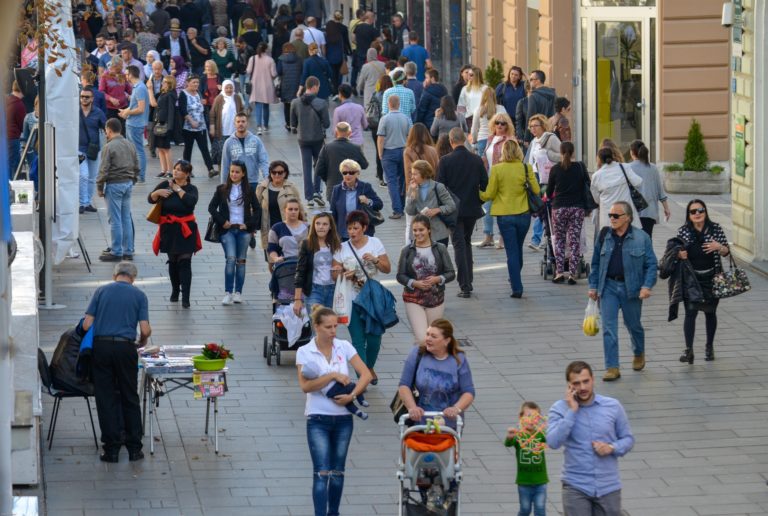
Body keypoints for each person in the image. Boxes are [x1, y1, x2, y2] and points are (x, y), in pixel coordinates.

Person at [296, 306, 372, 516]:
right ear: (317, 327)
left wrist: (352, 396)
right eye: (328, 327)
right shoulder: (305, 352)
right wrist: (331, 376)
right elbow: (305, 386)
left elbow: (365, 374)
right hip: (317, 418)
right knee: (321, 472)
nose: (333, 331)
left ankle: (334, 513)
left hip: (343, 420)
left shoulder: (344, 346)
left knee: (338, 472)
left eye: (335, 326)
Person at [82, 261, 151, 463]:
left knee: (105, 397)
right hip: (125, 348)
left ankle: (111, 450)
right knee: (129, 396)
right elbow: (145, 329)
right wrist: (142, 342)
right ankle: (134, 449)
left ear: (115, 275)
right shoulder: (139, 295)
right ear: (133, 277)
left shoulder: (101, 291)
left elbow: (87, 324)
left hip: (101, 348)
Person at [547, 361, 635, 514]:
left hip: (608, 486)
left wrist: (612, 447)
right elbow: (553, 442)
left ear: (593, 379)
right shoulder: (559, 408)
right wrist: (572, 411)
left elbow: (628, 439)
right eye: (576, 383)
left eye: (586, 381)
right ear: (569, 386)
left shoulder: (612, 406)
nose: (582, 387)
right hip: (576, 486)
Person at [588, 201, 657, 381]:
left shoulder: (641, 238)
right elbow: (595, 263)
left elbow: (651, 265)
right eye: (611, 215)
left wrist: (646, 286)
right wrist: (593, 286)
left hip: (631, 288)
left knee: (633, 325)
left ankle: (639, 352)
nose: (612, 219)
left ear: (627, 217)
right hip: (608, 287)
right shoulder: (604, 235)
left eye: (616, 216)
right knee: (608, 328)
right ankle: (612, 367)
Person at [332, 210, 392, 380]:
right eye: (349, 228)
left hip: (372, 299)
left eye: (355, 228)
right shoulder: (342, 248)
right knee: (358, 340)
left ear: (364, 228)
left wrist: (375, 260)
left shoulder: (375, 243)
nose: (352, 232)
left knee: (374, 339)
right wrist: (342, 273)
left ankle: (368, 368)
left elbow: (387, 269)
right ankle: (364, 377)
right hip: (351, 300)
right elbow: (334, 274)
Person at [480, 139, 540, 298]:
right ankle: (515, 277)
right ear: (519, 152)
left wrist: (478, 193)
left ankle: (517, 286)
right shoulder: (525, 168)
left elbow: (490, 194)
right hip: (524, 214)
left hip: (505, 216)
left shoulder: (497, 169)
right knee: (518, 248)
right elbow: (536, 189)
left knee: (512, 251)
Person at [674, 199, 730, 363]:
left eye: (700, 210)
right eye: (693, 212)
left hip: (712, 278)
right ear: (689, 215)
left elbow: (727, 252)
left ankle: (709, 347)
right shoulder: (684, 231)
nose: (697, 214)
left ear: (705, 212)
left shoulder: (715, 229)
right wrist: (680, 254)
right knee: (690, 313)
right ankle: (689, 350)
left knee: (710, 312)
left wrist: (718, 247)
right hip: (692, 279)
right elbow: (676, 251)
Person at [437, 128, 488, 297]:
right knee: (466, 242)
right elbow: (484, 184)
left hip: (453, 210)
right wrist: (478, 201)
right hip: (472, 208)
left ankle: (465, 285)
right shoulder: (476, 160)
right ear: (464, 139)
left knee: (459, 244)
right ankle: (468, 280)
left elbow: (440, 187)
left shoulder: (445, 161)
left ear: (451, 141)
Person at [398, 319, 475, 426]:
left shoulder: (459, 359)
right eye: (427, 334)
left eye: (434, 336)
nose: (428, 339)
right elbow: (404, 385)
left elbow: (468, 392)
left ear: (446, 341)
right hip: (420, 420)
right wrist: (412, 408)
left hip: (448, 422)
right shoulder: (417, 353)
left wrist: (456, 408)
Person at [148, 159, 201, 308]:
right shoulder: (165, 184)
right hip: (169, 230)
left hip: (186, 230)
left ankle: (186, 297)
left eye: (179, 169)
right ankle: (175, 290)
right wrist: (157, 193)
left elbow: (190, 202)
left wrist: (177, 189)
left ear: (187, 174)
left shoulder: (191, 188)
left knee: (185, 262)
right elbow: (150, 199)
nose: (175, 171)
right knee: (173, 262)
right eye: (175, 168)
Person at [396, 215, 455, 344]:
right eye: (415, 230)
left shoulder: (440, 248)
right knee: (422, 338)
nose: (418, 233)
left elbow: (451, 273)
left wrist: (438, 279)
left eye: (421, 230)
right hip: (413, 298)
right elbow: (400, 275)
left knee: (433, 340)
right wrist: (414, 283)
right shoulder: (407, 251)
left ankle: (424, 363)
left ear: (429, 230)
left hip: (435, 298)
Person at [209, 160, 261, 305]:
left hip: (243, 230)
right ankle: (228, 292)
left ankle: (238, 292)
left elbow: (257, 209)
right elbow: (211, 208)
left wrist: (249, 225)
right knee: (231, 259)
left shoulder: (249, 190)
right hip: (227, 230)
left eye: (237, 172)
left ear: (243, 173)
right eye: (232, 171)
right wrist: (222, 221)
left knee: (241, 261)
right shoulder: (221, 189)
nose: (234, 174)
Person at [546, 142, 590, 284]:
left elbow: (548, 191)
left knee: (559, 240)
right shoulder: (580, 167)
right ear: (573, 152)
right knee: (574, 240)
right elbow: (587, 184)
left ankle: (559, 272)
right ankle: (572, 274)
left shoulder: (555, 169)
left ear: (560, 152)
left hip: (559, 208)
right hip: (577, 208)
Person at [97, 118, 139, 262]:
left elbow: (103, 169)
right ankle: (128, 250)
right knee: (126, 218)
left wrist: (99, 187)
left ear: (108, 130)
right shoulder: (129, 144)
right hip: (127, 183)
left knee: (115, 220)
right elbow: (137, 164)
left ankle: (116, 251)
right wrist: (133, 179)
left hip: (114, 184)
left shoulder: (108, 147)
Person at [291, 76, 331, 208]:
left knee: (306, 167)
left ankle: (308, 197)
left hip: (303, 139)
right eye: (318, 87)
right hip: (317, 139)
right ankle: (317, 192)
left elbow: (292, 124)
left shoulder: (295, 102)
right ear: (314, 87)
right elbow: (326, 124)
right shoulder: (321, 103)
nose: (318, 89)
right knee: (318, 165)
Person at [478, 112, 516, 249]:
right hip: (489, 176)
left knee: (502, 209)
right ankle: (488, 236)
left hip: (503, 177)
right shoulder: (489, 139)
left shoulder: (510, 140)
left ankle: (502, 237)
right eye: (497, 123)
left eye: (503, 123)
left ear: (507, 126)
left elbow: (514, 157)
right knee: (487, 208)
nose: (499, 125)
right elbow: (484, 156)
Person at [504, 401, 549, 516]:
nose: (531, 420)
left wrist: (550, 429)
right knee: (525, 509)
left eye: (535, 417)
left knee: (540, 509)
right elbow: (508, 444)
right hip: (524, 482)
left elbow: (552, 440)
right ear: (521, 417)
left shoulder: (541, 435)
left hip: (541, 481)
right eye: (528, 416)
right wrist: (509, 437)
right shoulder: (519, 434)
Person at [294, 212, 343, 315]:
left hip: (333, 290)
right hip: (314, 290)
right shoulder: (307, 244)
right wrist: (297, 299)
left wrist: (341, 269)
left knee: (329, 327)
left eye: (325, 224)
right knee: (317, 325)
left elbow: (344, 265)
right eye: (318, 223)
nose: (321, 227)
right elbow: (300, 271)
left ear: (330, 227)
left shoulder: (337, 244)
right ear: (313, 225)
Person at [525, 113, 561, 251]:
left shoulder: (551, 138)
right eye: (531, 126)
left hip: (549, 178)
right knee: (541, 208)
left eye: (536, 126)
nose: (533, 129)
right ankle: (540, 238)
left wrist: (548, 155)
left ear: (543, 126)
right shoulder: (534, 141)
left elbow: (562, 155)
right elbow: (530, 161)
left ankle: (541, 238)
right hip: (536, 177)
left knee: (545, 207)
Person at [255, 160, 305, 255]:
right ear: (270, 173)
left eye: (280, 172)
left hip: (288, 229)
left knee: (287, 258)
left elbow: (300, 208)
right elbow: (254, 208)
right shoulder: (262, 188)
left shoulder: (291, 188)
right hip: (269, 229)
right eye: (274, 172)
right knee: (271, 261)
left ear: (285, 173)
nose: (277, 175)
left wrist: (305, 225)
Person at [404, 160, 456, 246]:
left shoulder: (438, 187)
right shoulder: (412, 188)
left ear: (424, 174)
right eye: (412, 174)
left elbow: (451, 206)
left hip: (438, 232)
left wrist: (438, 210)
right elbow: (410, 211)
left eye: (415, 174)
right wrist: (412, 194)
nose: (412, 177)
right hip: (419, 234)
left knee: (438, 258)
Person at [377, 95, 413, 220]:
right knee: (402, 180)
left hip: (389, 152)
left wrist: (380, 153)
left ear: (388, 104)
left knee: (391, 181)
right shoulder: (406, 118)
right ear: (398, 104)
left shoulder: (384, 119)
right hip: (403, 151)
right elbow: (410, 136)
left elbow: (381, 137)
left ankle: (397, 210)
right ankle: (402, 205)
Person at [590, 147, 643, 231]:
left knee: (610, 239)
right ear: (612, 156)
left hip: (608, 215)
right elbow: (638, 182)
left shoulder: (597, 175)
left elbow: (596, 199)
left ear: (599, 159)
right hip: (625, 211)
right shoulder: (624, 167)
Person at [329, 159, 383, 240]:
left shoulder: (365, 187)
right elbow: (333, 213)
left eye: (351, 173)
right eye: (344, 173)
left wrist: (368, 201)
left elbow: (379, 204)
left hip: (363, 232)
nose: (348, 175)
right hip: (343, 233)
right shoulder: (337, 189)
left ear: (357, 173)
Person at [315, 122, 369, 200]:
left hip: (332, 189)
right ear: (350, 133)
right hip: (352, 189)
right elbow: (365, 165)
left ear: (336, 133)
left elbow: (318, 170)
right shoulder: (355, 148)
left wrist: (328, 179)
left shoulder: (327, 148)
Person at [629, 139, 670, 238]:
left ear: (632, 152)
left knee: (633, 240)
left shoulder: (628, 167)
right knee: (647, 240)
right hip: (649, 211)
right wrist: (666, 208)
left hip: (632, 211)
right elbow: (660, 191)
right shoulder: (653, 168)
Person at [178, 74, 216, 177]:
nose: (196, 84)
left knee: (204, 148)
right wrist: (191, 121)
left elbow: (202, 107)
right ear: (188, 83)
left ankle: (211, 169)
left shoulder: (199, 93)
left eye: (197, 82)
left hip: (201, 126)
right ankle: (187, 171)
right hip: (188, 127)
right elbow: (182, 110)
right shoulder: (183, 94)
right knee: (188, 149)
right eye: (194, 82)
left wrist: (203, 103)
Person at [220, 112, 269, 186]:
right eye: (238, 121)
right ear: (234, 124)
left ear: (247, 123)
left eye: (243, 121)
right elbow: (225, 164)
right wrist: (224, 184)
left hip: (252, 182)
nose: (240, 124)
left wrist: (267, 178)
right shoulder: (228, 142)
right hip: (235, 183)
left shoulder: (256, 140)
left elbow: (263, 161)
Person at [118, 66, 149, 183]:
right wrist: (125, 111)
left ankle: (140, 175)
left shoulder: (140, 88)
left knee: (138, 150)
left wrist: (127, 112)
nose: (126, 76)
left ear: (131, 74)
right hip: (132, 122)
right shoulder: (137, 87)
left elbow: (141, 109)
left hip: (136, 124)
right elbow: (135, 106)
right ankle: (134, 173)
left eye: (126, 74)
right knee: (132, 150)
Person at [78, 87, 107, 214]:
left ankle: (87, 202)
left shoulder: (98, 112)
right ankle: (81, 203)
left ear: (92, 99)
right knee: (83, 175)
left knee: (92, 178)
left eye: (86, 97)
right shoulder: (74, 111)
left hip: (94, 149)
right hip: (79, 149)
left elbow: (106, 128)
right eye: (82, 96)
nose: (83, 99)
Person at [209, 79, 244, 175]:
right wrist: (212, 127)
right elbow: (212, 113)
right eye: (227, 88)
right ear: (224, 88)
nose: (229, 90)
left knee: (234, 152)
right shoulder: (219, 98)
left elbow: (241, 111)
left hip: (234, 131)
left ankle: (233, 172)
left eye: (231, 87)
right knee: (222, 153)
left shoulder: (237, 97)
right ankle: (222, 172)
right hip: (222, 131)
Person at [148, 75, 178, 178]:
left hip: (164, 123)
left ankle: (170, 170)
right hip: (158, 122)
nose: (162, 83)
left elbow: (171, 111)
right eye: (163, 82)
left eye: (165, 82)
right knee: (160, 147)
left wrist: (170, 126)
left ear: (169, 84)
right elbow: (153, 103)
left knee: (166, 148)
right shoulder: (162, 94)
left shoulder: (170, 95)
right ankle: (163, 170)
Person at [246, 42, 278, 134]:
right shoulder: (270, 60)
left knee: (258, 106)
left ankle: (259, 126)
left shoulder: (252, 59)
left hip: (255, 85)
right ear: (266, 49)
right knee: (266, 105)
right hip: (267, 85)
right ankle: (266, 126)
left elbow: (248, 71)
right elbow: (274, 74)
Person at [368, 74, 393, 187]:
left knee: (379, 151)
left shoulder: (375, 94)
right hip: (389, 125)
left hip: (376, 126)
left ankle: (380, 175)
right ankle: (388, 174)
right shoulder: (392, 95)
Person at [268, 198, 309, 264]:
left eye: (296, 209)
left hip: (305, 264)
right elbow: (272, 248)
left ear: (299, 211)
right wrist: (276, 258)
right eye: (290, 209)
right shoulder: (276, 228)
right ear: (284, 211)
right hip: (285, 264)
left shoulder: (308, 227)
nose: (293, 212)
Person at [470, 86, 506, 156]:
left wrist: (474, 140)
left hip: (482, 140)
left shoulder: (478, 110)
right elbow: (507, 125)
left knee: (483, 165)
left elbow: (474, 129)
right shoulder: (501, 109)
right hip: (497, 140)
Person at [277, 42, 303, 131]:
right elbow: (302, 71)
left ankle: (288, 124)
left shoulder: (281, 59)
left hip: (285, 85)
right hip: (296, 85)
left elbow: (279, 71)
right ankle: (295, 125)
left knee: (287, 106)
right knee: (296, 105)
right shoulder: (299, 59)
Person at [99, 57, 131, 131]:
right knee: (112, 130)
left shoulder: (123, 75)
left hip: (123, 107)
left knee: (123, 130)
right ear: (114, 66)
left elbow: (128, 89)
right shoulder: (105, 76)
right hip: (110, 109)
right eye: (121, 66)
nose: (122, 67)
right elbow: (101, 92)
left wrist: (131, 94)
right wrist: (110, 98)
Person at [324, 11, 351, 95]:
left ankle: (334, 89)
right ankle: (338, 88)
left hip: (330, 55)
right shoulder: (343, 28)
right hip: (341, 53)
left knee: (333, 73)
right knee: (340, 73)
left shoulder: (329, 30)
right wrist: (349, 50)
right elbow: (346, 41)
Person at [351, 11, 379, 89]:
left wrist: (359, 44)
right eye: (373, 18)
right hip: (369, 54)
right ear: (371, 18)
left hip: (359, 52)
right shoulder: (373, 29)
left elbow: (353, 39)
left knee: (360, 71)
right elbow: (379, 41)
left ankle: (356, 86)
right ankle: (364, 88)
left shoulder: (358, 27)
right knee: (369, 71)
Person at [5, 81, 26, 176]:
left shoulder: (6, 100)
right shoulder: (19, 104)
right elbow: (23, 125)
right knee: (13, 165)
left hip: (4, 137)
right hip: (12, 139)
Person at [356, 47, 386, 112]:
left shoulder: (365, 67)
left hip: (369, 94)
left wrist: (361, 88)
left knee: (369, 113)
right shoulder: (383, 65)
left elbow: (360, 83)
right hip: (381, 93)